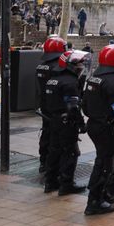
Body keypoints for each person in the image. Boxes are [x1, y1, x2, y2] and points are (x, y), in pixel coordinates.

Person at [81, 45, 114, 216]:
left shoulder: (94, 77)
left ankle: (101, 194)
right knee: (104, 164)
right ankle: (95, 200)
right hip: (106, 127)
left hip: (94, 124)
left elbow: (85, 107)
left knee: (102, 161)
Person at [41, 50, 90, 196]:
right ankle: (66, 184)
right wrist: (81, 124)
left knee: (54, 150)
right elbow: (73, 107)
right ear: (70, 66)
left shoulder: (52, 80)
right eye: (79, 64)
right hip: (66, 121)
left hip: (53, 120)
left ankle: (50, 182)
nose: (81, 66)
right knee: (70, 152)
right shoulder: (70, 82)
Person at [36, 36, 67, 175]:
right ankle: (53, 163)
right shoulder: (57, 67)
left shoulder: (41, 66)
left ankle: (43, 161)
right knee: (56, 135)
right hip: (57, 105)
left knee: (46, 131)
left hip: (45, 103)